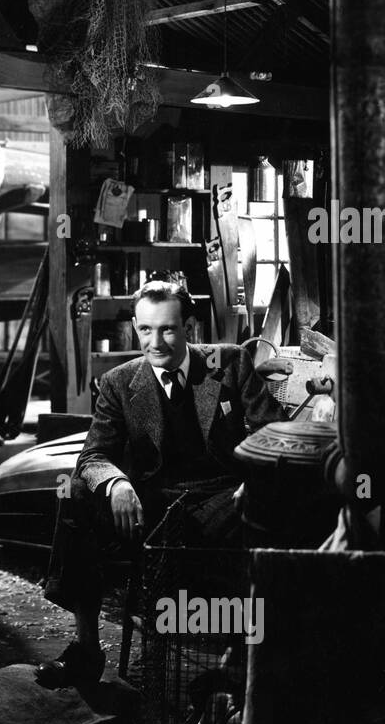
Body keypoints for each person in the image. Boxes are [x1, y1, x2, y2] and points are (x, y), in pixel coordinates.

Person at [36, 280, 285, 688]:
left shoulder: (231, 363)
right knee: (79, 494)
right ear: (136, 327)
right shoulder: (119, 382)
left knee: (261, 515)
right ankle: (85, 650)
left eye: (168, 329)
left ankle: (238, 661)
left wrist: (255, 481)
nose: (156, 342)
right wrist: (115, 483)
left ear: (189, 327)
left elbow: (276, 433)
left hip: (221, 496)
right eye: (146, 330)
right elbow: (92, 457)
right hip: (149, 505)